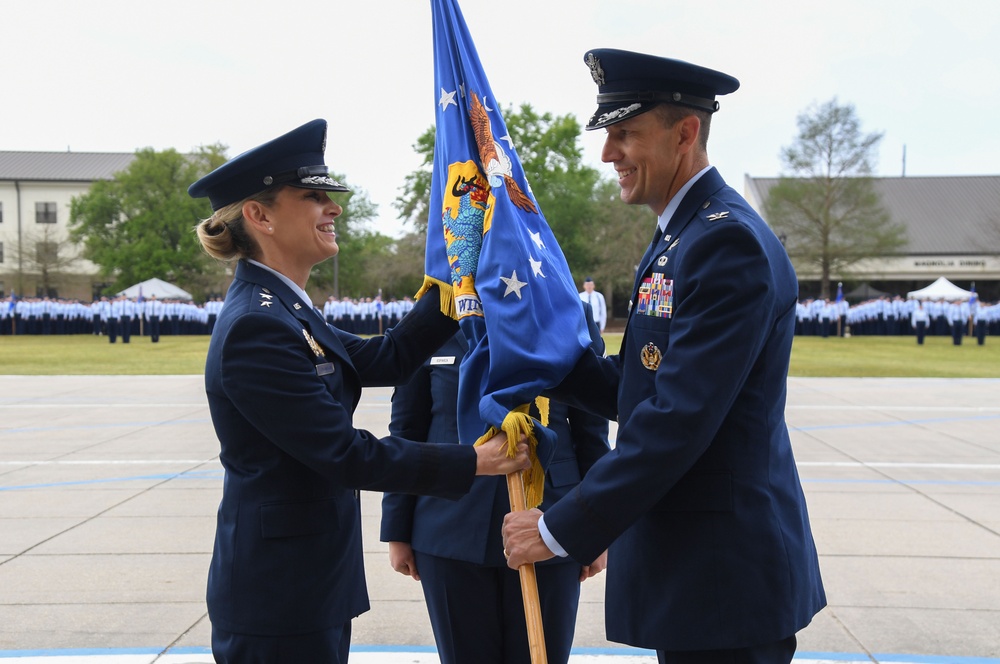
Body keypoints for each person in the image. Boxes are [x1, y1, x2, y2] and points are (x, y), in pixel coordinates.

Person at [502, 49, 826, 663]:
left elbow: (676, 420)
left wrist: (556, 529)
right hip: (696, 572)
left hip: (724, 577)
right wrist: (541, 355)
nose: (607, 154)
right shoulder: (685, 235)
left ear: (685, 133)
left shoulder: (724, 242)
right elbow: (640, 383)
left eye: (625, 133)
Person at [188, 118, 529, 664]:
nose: (334, 207)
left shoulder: (286, 309)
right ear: (260, 215)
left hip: (308, 582)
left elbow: (386, 357)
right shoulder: (258, 326)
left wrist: (455, 275)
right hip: (277, 597)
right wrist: (473, 462)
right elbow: (343, 454)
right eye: (313, 196)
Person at [380, 302, 611, 664]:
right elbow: (407, 429)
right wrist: (397, 528)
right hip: (447, 530)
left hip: (551, 524)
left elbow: (592, 432)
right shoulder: (432, 314)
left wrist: (596, 529)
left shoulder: (562, 306)